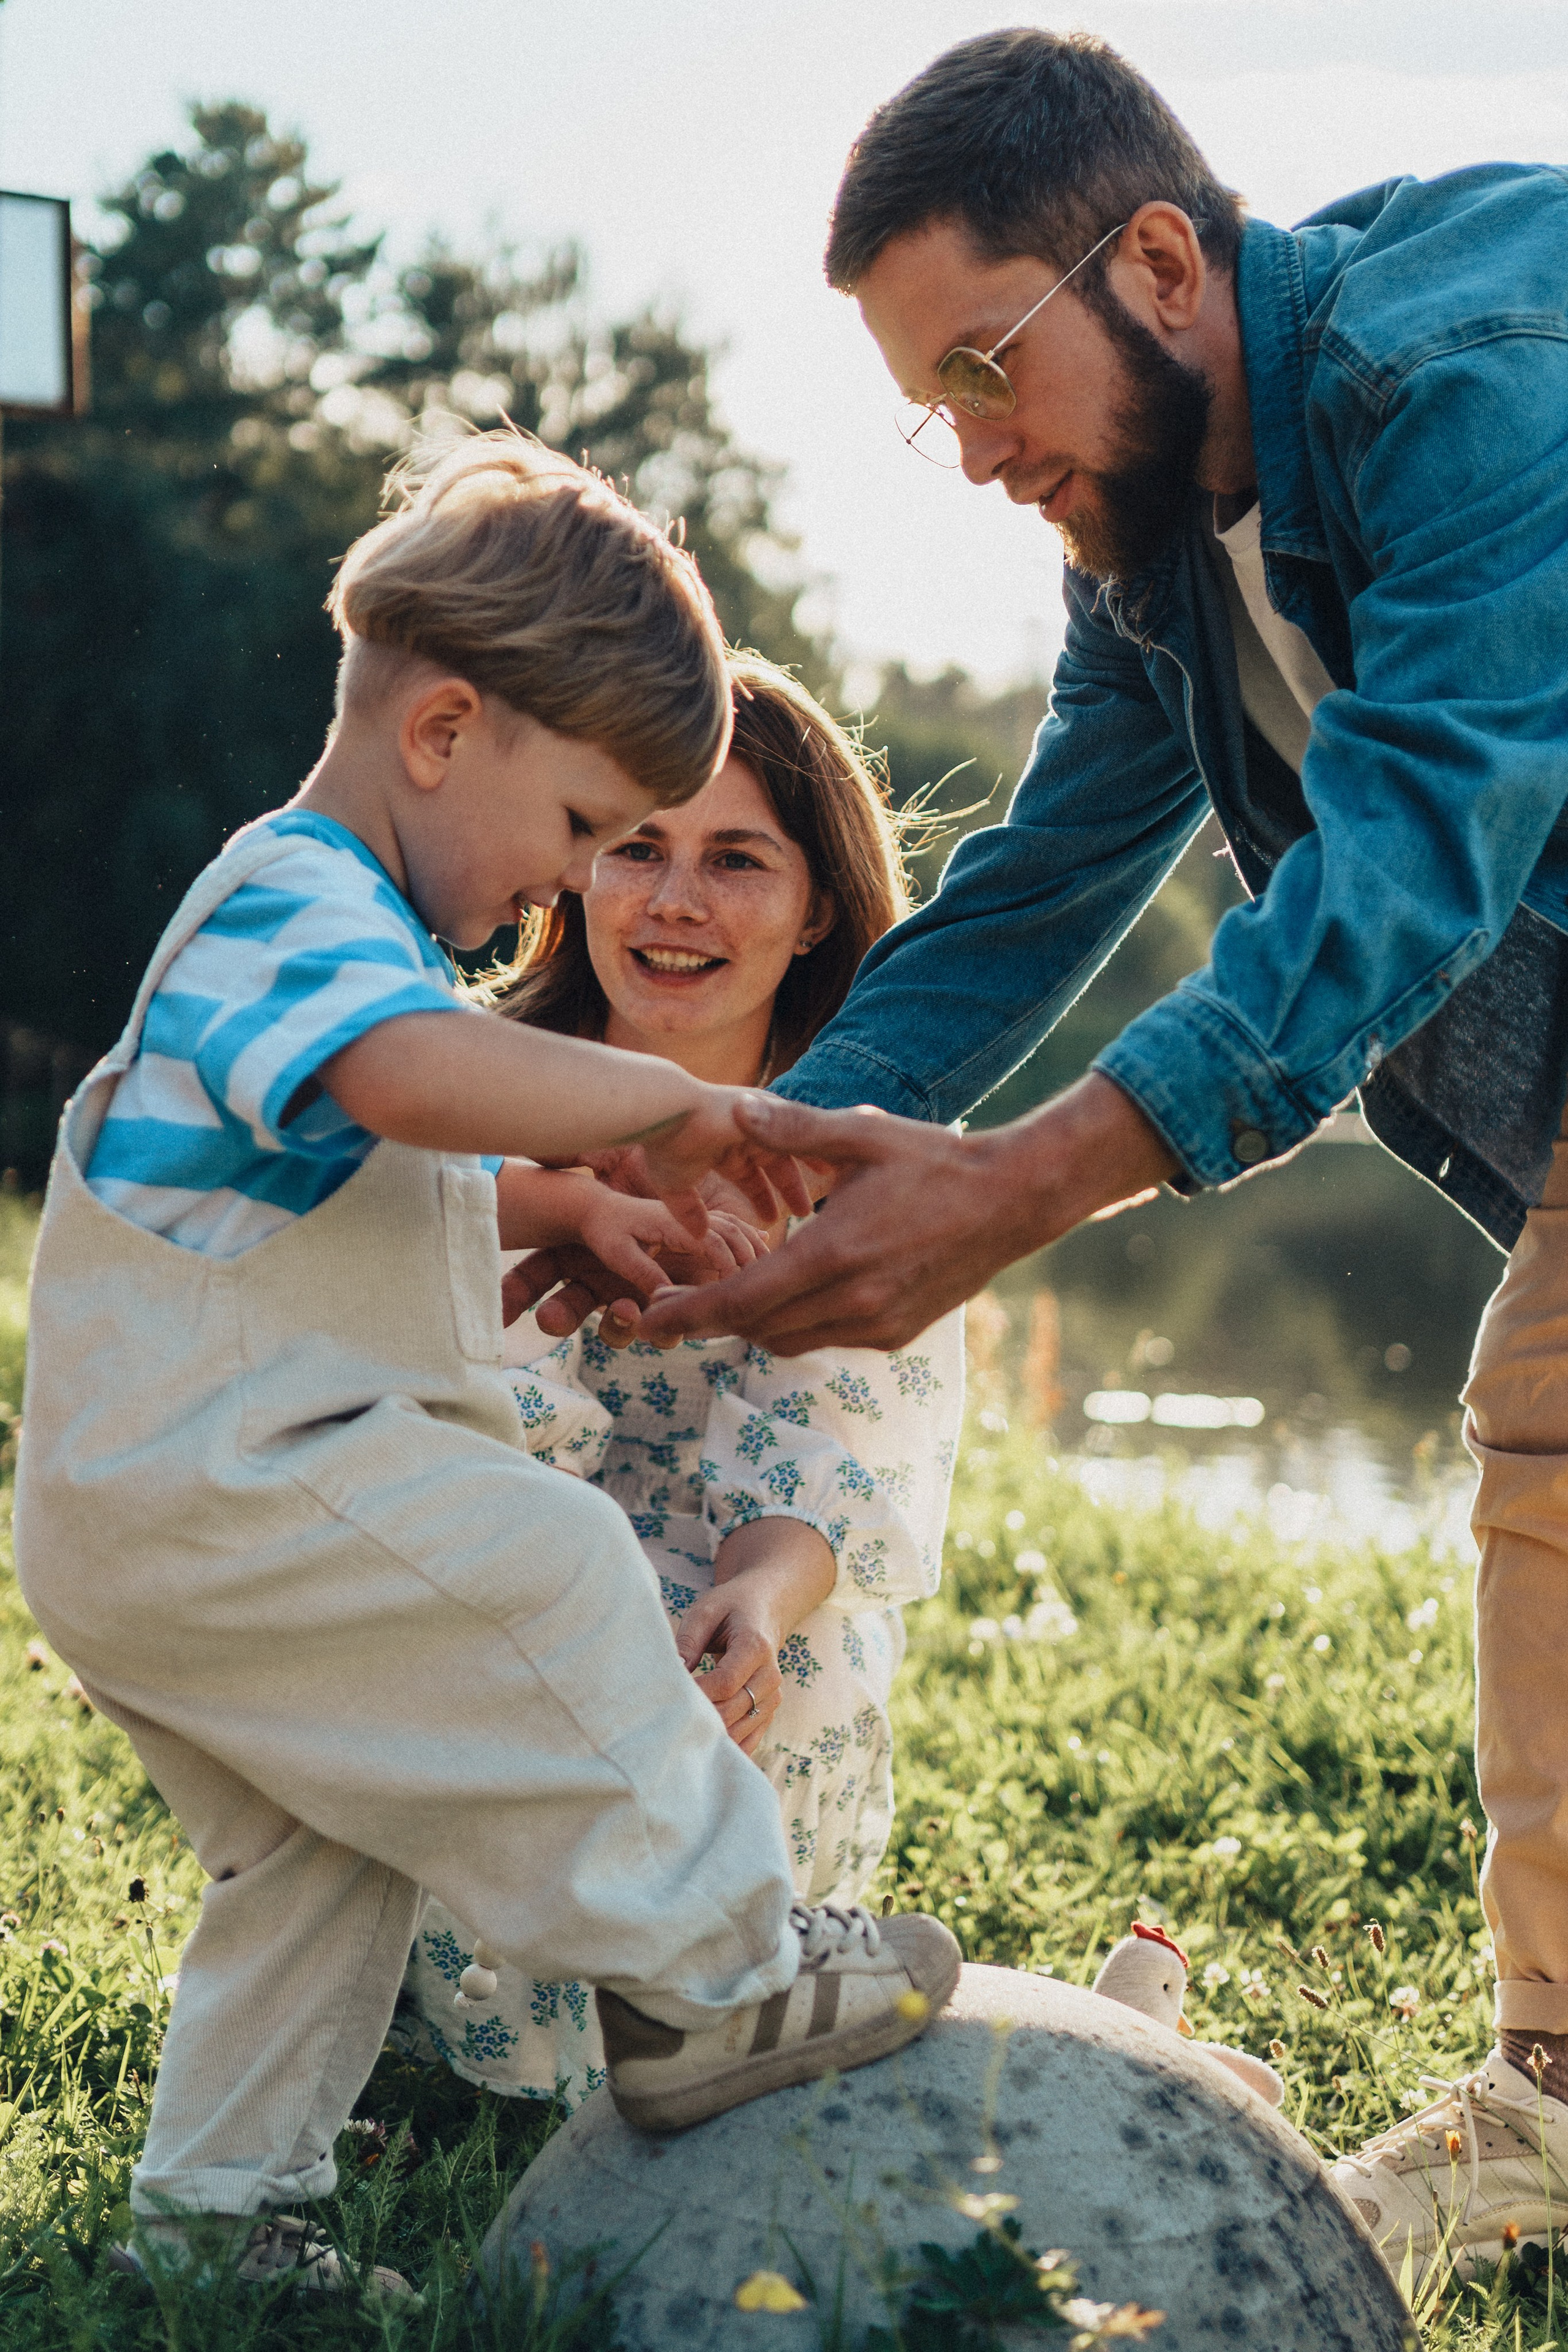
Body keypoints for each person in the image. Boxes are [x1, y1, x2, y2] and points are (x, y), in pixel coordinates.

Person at [510, 28, 1568, 2287]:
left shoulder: (1475, 371)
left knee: (1552, 1410)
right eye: (941, 403)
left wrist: (1021, 1189)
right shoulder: (1155, 539)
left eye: (990, 371)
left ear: (1163, 262)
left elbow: (1414, 843)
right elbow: (1038, 884)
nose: (979, 454)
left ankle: (1553, 2109)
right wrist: (731, 1148)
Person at [11, 431, 959, 2299]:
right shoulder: (302, 900)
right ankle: (724, 1983)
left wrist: (551, 1209)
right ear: (447, 734)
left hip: (168, 1511)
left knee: (318, 1865)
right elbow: (393, 1077)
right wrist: (667, 1118)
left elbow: (350, 1171)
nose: (579, 885)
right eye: (590, 828)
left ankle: (215, 2227)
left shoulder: (339, 933)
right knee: (554, 1565)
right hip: (228, 1485)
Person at [399, 659, 964, 2108]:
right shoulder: (463, 1083)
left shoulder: (865, 1145)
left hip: (742, 1582)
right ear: (575, 863)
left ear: (817, 903)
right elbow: (469, 1421)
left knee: (760, 1685)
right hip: (498, 1562)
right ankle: (431, 2023)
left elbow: (837, 1451)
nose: (672, 904)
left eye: (735, 860)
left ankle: (711, 1995)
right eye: (636, 847)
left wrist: (752, 1612)